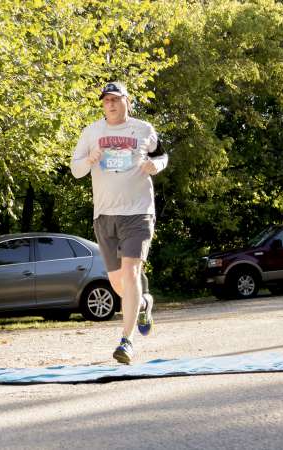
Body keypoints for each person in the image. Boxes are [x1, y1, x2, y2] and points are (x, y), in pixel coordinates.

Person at [71, 81, 168, 364]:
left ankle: (126, 342)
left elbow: (161, 155)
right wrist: (89, 159)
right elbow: (76, 170)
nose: (110, 104)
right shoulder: (92, 132)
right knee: (117, 283)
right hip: (104, 214)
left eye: (116, 99)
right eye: (106, 100)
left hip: (138, 212)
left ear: (127, 101)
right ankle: (143, 303)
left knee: (131, 272)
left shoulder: (143, 129)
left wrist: (156, 165)